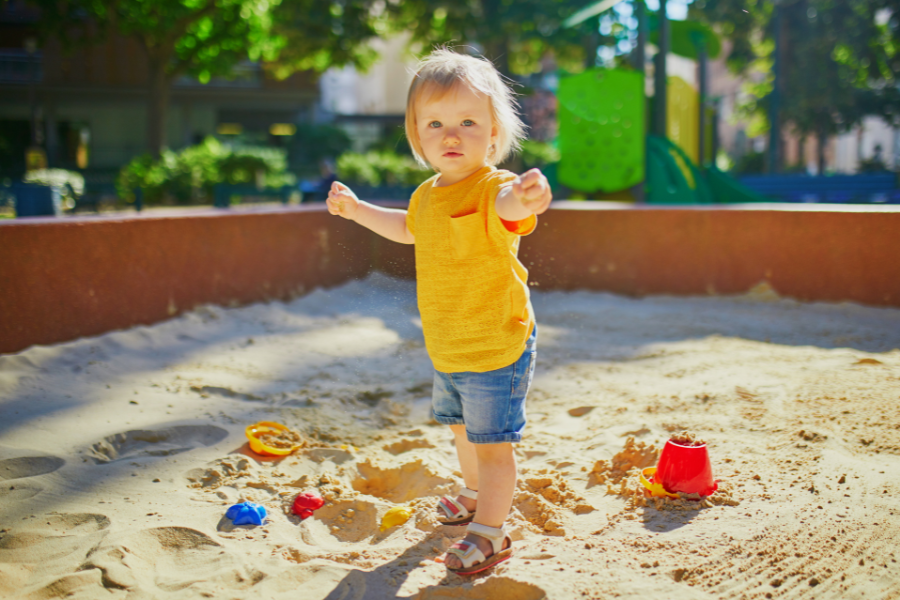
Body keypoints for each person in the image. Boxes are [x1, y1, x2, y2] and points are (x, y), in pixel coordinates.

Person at [326, 48, 551, 575]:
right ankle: (474, 495)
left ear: (494, 133)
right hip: (448, 346)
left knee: (493, 445)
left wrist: (528, 196)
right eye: (436, 123)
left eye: (468, 122)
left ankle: (491, 534)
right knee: (461, 431)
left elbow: (510, 211)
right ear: (417, 135)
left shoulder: (495, 188)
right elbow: (407, 229)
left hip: (496, 345)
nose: (451, 136)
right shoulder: (427, 197)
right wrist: (357, 210)